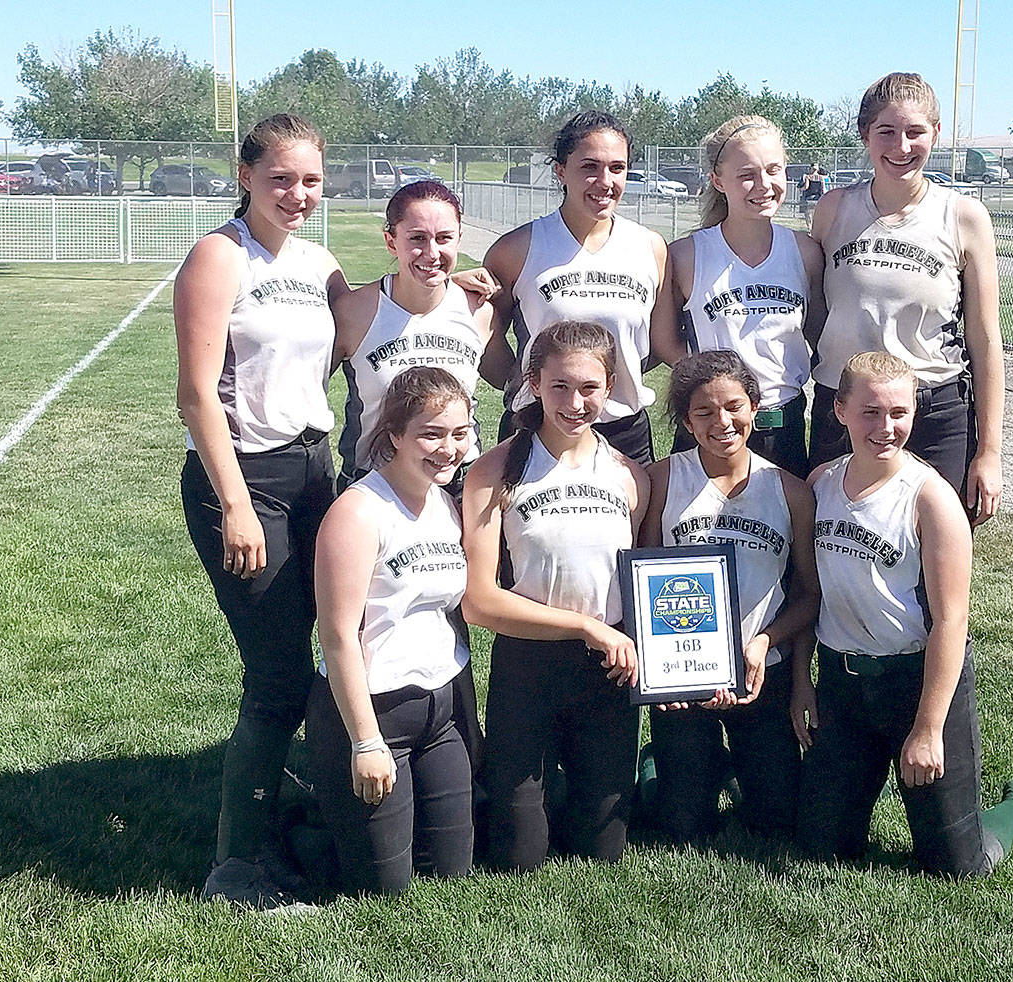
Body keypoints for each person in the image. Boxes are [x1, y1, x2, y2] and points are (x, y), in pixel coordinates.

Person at [175, 113, 345, 906]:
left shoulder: (319, 261)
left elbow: (374, 322)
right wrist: (237, 505)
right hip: (245, 481)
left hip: (316, 474)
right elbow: (196, 394)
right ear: (246, 177)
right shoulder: (220, 255)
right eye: (281, 178)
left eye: (311, 180)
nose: (298, 194)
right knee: (278, 673)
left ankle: (293, 803)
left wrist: (455, 291)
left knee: (328, 649)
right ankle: (236, 867)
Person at [790, 351, 1013, 877]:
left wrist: (927, 727)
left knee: (957, 865)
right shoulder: (819, 484)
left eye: (899, 413)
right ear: (839, 411)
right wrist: (802, 682)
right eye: (870, 412)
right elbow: (810, 594)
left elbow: (952, 621)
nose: (886, 427)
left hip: (915, 683)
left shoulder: (931, 500)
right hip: (843, 685)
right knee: (820, 851)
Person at [461, 320, 650, 871]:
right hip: (529, 661)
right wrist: (585, 626)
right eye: (560, 386)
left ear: (610, 387)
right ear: (534, 384)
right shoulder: (494, 470)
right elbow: (479, 600)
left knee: (602, 850)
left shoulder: (631, 475)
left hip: (609, 667)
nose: (574, 403)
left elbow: (643, 583)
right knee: (518, 855)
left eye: (589, 388)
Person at [638, 350, 820, 840]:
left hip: (762, 672)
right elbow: (643, 581)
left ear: (755, 407)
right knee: (681, 829)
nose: (722, 422)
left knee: (777, 826)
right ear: (687, 422)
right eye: (704, 412)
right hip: (684, 680)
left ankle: (736, 769)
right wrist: (663, 672)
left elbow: (808, 595)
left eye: (734, 406)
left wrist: (765, 642)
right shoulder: (662, 480)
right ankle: (658, 766)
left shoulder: (791, 492)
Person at [307, 367, 475, 895]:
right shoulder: (358, 512)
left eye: (459, 433)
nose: (448, 449)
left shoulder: (444, 502)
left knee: (453, 872)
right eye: (431, 434)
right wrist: (366, 742)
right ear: (395, 434)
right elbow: (337, 636)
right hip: (375, 712)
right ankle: (298, 828)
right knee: (382, 889)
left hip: (440, 712)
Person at [808, 73, 1003, 524]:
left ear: (936, 133)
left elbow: (985, 339)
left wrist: (990, 451)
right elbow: (816, 314)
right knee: (837, 545)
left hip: (932, 412)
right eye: (887, 131)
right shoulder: (834, 209)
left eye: (915, 131)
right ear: (865, 135)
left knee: (934, 549)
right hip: (845, 409)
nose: (902, 146)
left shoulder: (964, 216)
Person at [484, 110, 667, 465]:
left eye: (617, 168)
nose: (605, 181)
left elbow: (656, 344)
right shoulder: (516, 249)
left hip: (624, 433)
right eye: (589, 167)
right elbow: (487, 341)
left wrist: (610, 377)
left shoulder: (650, 247)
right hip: (538, 428)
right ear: (561, 171)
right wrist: (526, 381)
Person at [651, 115, 823, 479]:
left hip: (781, 429)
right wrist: (713, 388)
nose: (763, 185)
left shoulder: (805, 252)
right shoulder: (687, 255)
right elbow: (665, 342)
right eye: (747, 175)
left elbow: (819, 334)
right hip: (711, 428)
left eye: (774, 170)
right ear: (718, 181)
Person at [332, 180, 506, 494]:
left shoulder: (478, 312)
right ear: (391, 241)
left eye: (444, 238)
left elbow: (515, 384)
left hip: (457, 485)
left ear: (459, 239)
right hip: (374, 486)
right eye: (417, 238)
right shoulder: (353, 313)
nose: (432, 252)